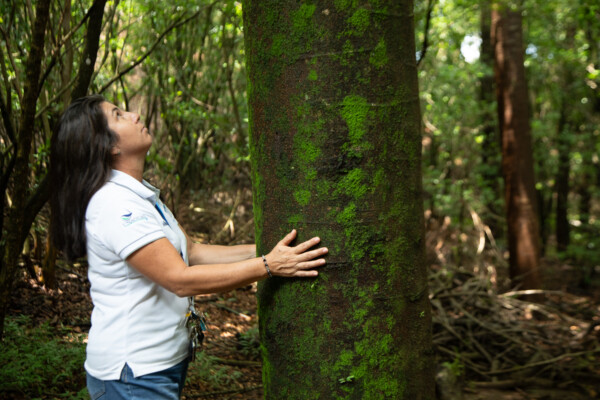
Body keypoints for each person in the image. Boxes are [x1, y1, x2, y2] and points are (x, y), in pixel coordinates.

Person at [49, 94, 328, 399]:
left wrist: (268, 251)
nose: (134, 115)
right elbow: (179, 279)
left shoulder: (140, 195)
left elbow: (192, 252)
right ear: (108, 145)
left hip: (156, 368)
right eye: (118, 115)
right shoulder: (115, 204)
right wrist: (268, 266)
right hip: (133, 375)